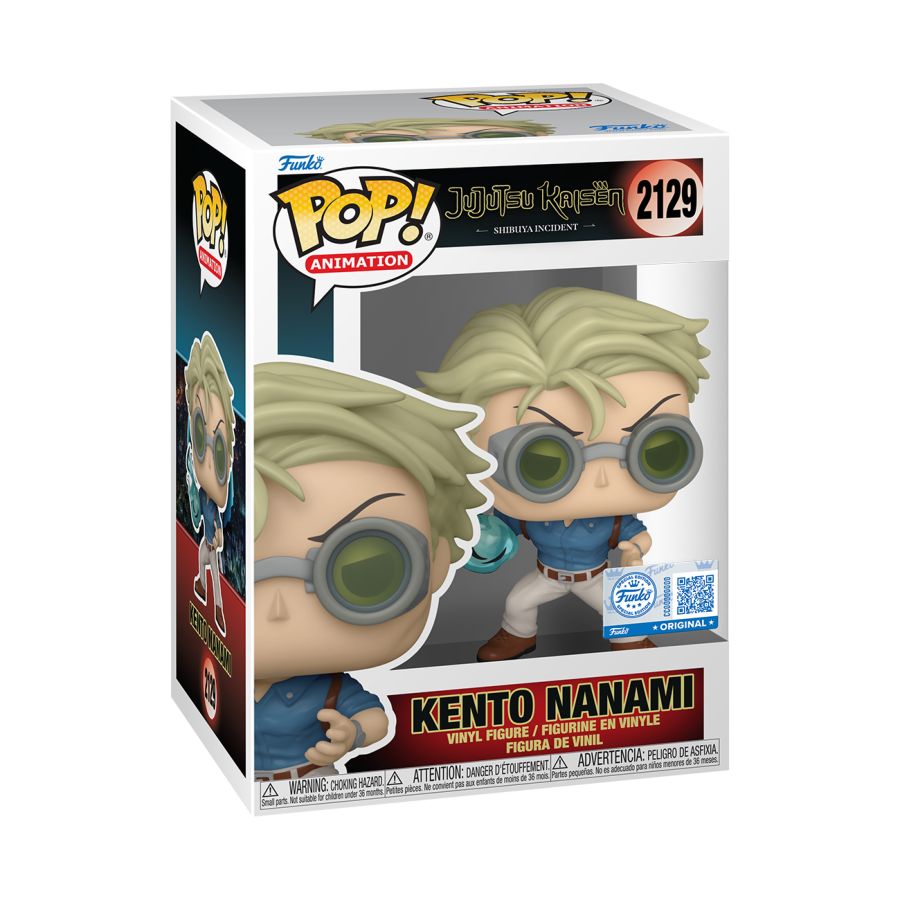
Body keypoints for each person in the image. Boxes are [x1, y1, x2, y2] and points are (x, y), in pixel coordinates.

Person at [418, 287, 710, 661]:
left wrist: (635, 552)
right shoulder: (531, 518)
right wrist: (480, 541)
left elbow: (638, 536)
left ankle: (631, 642)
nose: (601, 479)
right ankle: (518, 636)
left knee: (623, 611)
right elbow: (499, 533)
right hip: (549, 576)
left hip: (595, 578)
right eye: (542, 461)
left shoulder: (614, 519)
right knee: (519, 602)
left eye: (657, 451)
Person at [253, 361, 490, 780]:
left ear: (436, 562)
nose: (276, 608)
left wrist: (354, 734)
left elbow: (376, 719)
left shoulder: (328, 687)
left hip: (313, 777)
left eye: (365, 570)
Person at [185, 332, 235, 637]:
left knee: (209, 556)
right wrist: (215, 532)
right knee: (210, 557)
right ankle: (214, 603)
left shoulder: (214, 496)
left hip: (211, 534)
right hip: (209, 533)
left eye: (218, 449)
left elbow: (216, 517)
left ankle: (204, 588)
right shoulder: (202, 494)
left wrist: (216, 531)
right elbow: (208, 515)